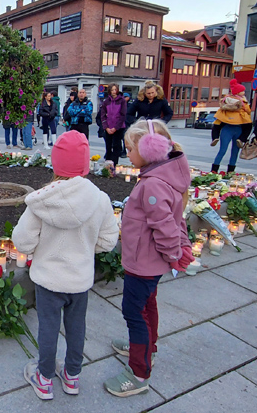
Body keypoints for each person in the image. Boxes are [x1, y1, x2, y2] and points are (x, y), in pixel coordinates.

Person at [13, 130, 119, 400]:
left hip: (49, 279)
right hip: (80, 279)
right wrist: (84, 250)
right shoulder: (100, 199)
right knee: (77, 326)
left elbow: (23, 242)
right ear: (85, 164)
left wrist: (41, 249)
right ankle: (72, 376)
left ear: (55, 164)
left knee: (48, 327)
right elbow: (108, 241)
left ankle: (44, 378)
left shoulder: (42, 200)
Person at [105, 119, 193, 397]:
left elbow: (165, 225)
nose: (126, 153)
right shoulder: (161, 177)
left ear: (150, 150)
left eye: (130, 149)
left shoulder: (153, 185)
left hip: (143, 263)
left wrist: (174, 254)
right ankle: (147, 348)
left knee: (134, 312)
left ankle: (139, 373)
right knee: (147, 305)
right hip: (148, 262)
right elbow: (175, 221)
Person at [210, 80, 251, 174]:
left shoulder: (226, 102)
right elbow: (248, 117)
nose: (244, 93)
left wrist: (215, 136)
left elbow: (217, 123)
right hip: (238, 128)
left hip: (227, 129)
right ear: (237, 92)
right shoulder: (243, 102)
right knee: (234, 151)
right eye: (242, 91)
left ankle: (214, 169)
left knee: (222, 150)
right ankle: (231, 171)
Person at [100, 84, 127, 166]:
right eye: (112, 90)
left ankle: (114, 165)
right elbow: (103, 115)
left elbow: (123, 115)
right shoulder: (106, 101)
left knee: (116, 147)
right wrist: (106, 127)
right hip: (108, 127)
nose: (114, 92)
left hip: (118, 128)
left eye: (115, 90)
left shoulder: (122, 101)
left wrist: (116, 128)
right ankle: (107, 165)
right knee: (108, 147)